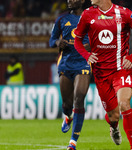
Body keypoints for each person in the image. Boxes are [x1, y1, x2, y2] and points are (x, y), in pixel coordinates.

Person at [74, 0, 132, 149]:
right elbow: (77, 40)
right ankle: (114, 126)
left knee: (124, 103)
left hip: (121, 69)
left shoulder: (124, 13)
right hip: (101, 73)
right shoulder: (87, 14)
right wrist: (86, 55)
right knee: (113, 116)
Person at [49, 0, 91, 150]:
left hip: (83, 62)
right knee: (67, 104)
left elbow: (101, 40)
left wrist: (92, 46)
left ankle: (73, 142)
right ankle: (68, 116)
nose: (69, 1)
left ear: (81, 1)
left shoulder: (91, 18)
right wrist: (57, 42)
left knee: (79, 98)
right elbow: (51, 40)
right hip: (66, 63)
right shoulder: (62, 19)